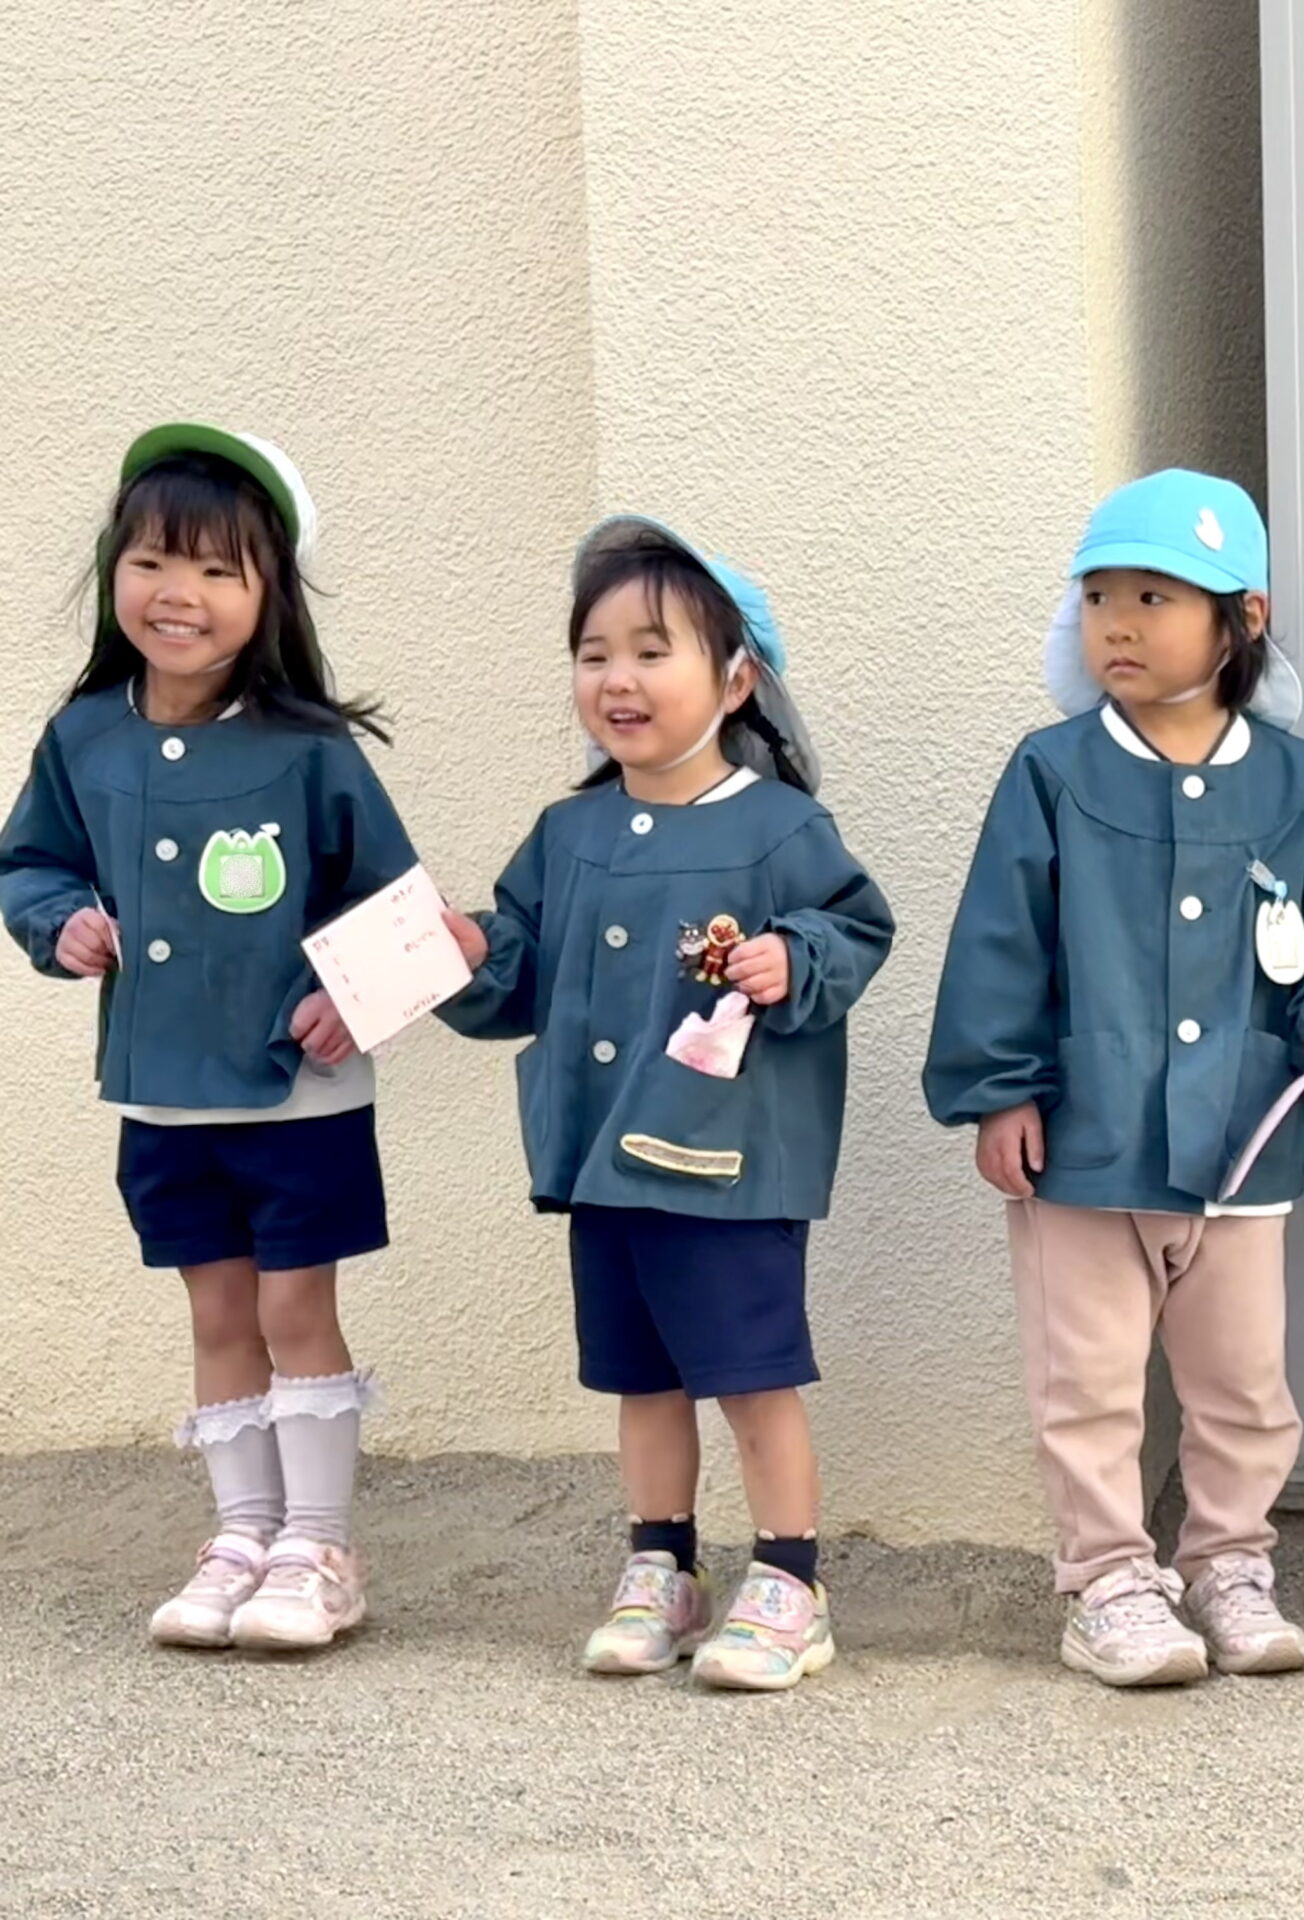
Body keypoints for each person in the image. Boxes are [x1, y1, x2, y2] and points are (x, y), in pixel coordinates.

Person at [924, 470, 1304, 1687]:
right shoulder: (1054, 770)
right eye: (1098, 598)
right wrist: (999, 1089)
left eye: (1153, 597)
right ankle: (1108, 1582)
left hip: (1245, 1137)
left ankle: (1231, 1562)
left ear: (1243, 618)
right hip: (1083, 1144)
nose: (1118, 625)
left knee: (1242, 1381)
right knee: (1085, 1381)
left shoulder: (1295, 782)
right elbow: (1001, 939)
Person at [438, 517, 893, 1692]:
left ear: (736, 680)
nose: (618, 679)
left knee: (749, 1375)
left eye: (652, 651)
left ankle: (790, 1581)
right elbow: (519, 970)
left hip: (726, 1159)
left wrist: (796, 956)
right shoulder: (568, 832)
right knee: (640, 1378)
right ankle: (661, 1566)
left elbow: (854, 927)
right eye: (594, 653)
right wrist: (466, 954)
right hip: (602, 1158)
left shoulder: (778, 826)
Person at [0, 424, 415, 1652]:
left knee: (294, 1309)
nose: (177, 593)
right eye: (151, 561)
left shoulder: (308, 748)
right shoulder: (84, 736)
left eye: (217, 570)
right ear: (112, 573)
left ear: (268, 593)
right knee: (218, 1313)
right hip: (161, 1093)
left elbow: (401, 909)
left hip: (298, 1094)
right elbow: (32, 864)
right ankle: (240, 1536)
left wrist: (353, 996)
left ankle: (318, 1547)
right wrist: (62, 922)